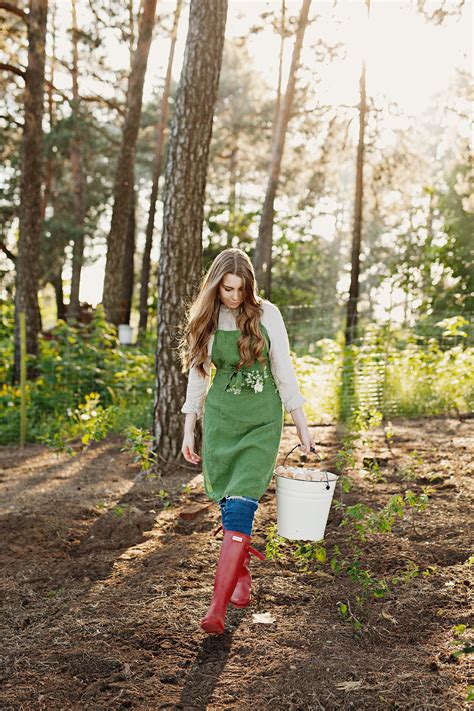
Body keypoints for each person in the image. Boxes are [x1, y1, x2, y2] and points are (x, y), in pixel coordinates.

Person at [179, 248, 316, 634]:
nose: (233, 296)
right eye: (227, 289)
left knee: (242, 505)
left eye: (240, 289)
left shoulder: (267, 314)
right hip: (221, 421)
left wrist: (302, 427)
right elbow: (197, 375)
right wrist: (189, 428)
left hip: (261, 424)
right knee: (227, 503)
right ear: (216, 286)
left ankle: (216, 609)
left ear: (249, 286)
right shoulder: (207, 317)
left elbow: (284, 372)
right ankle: (240, 573)